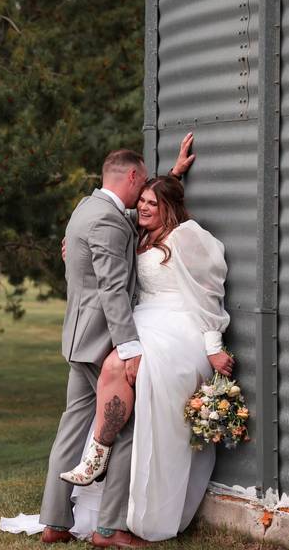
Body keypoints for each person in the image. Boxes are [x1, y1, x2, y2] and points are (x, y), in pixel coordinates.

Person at [36, 136, 195, 549]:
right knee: (123, 429)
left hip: (77, 338)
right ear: (130, 176)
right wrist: (130, 349)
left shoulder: (88, 209)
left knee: (73, 428)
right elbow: (111, 290)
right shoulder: (106, 219)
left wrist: (173, 176)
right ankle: (109, 529)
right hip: (99, 342)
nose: (141, 196)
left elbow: (125, 227)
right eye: (141, 183)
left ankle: (54, 521)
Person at [59, 174, 232, 543]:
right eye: (142, 202)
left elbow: (209, 294)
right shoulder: (137, 234)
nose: (144, 207)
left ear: (169, 206)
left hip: (177, 325)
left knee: (114, 364)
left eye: (153, 203)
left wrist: (213, 344)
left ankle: (97, 454)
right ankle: (102, 466)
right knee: (114, 362)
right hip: (144, 319)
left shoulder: (186, 236)